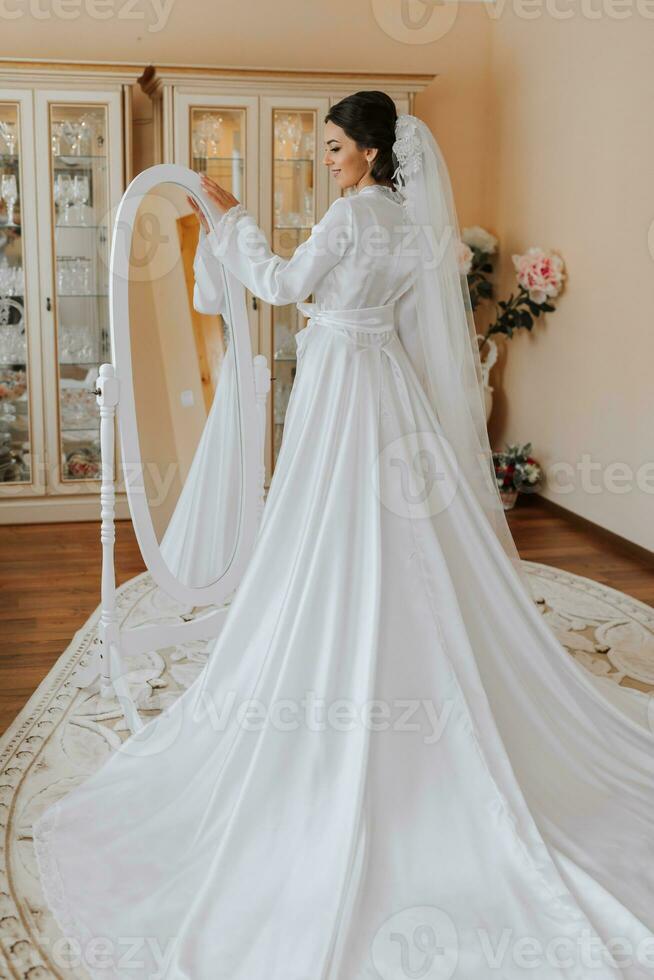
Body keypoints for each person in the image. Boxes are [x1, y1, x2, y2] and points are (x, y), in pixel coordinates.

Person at [32, 91, 654, 980]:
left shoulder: (356, 217)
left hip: (341, 384)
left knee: (328, 524)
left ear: (368, 151)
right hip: (385, 384)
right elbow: (402, 319)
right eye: (324, 147)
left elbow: (283, 287)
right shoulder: (403, 221)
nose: (326, 157)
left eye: (333, 146)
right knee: (401, 535)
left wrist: (233, 218)